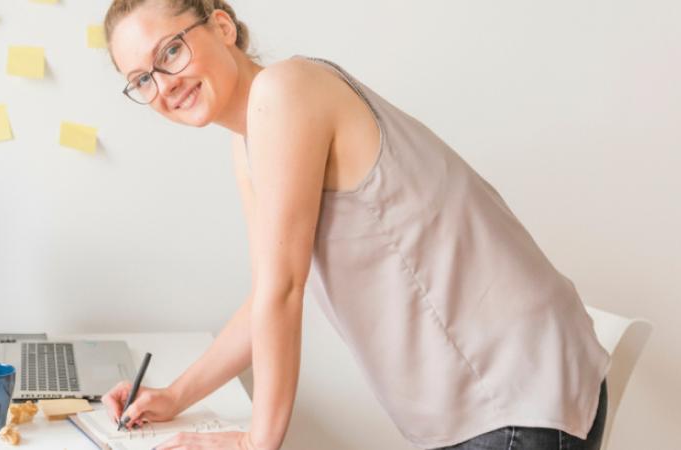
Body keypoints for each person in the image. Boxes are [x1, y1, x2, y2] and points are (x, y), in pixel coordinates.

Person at [98, 1, 610, 449]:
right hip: (498, 404)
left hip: (517, 400)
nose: (165, 85)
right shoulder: (249, 139)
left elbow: (284, 289)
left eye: (170, 52)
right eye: (142, 79)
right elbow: (265, 296)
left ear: (223, 28)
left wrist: (258, 441)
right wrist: (174, 395)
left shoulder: (285, 89)